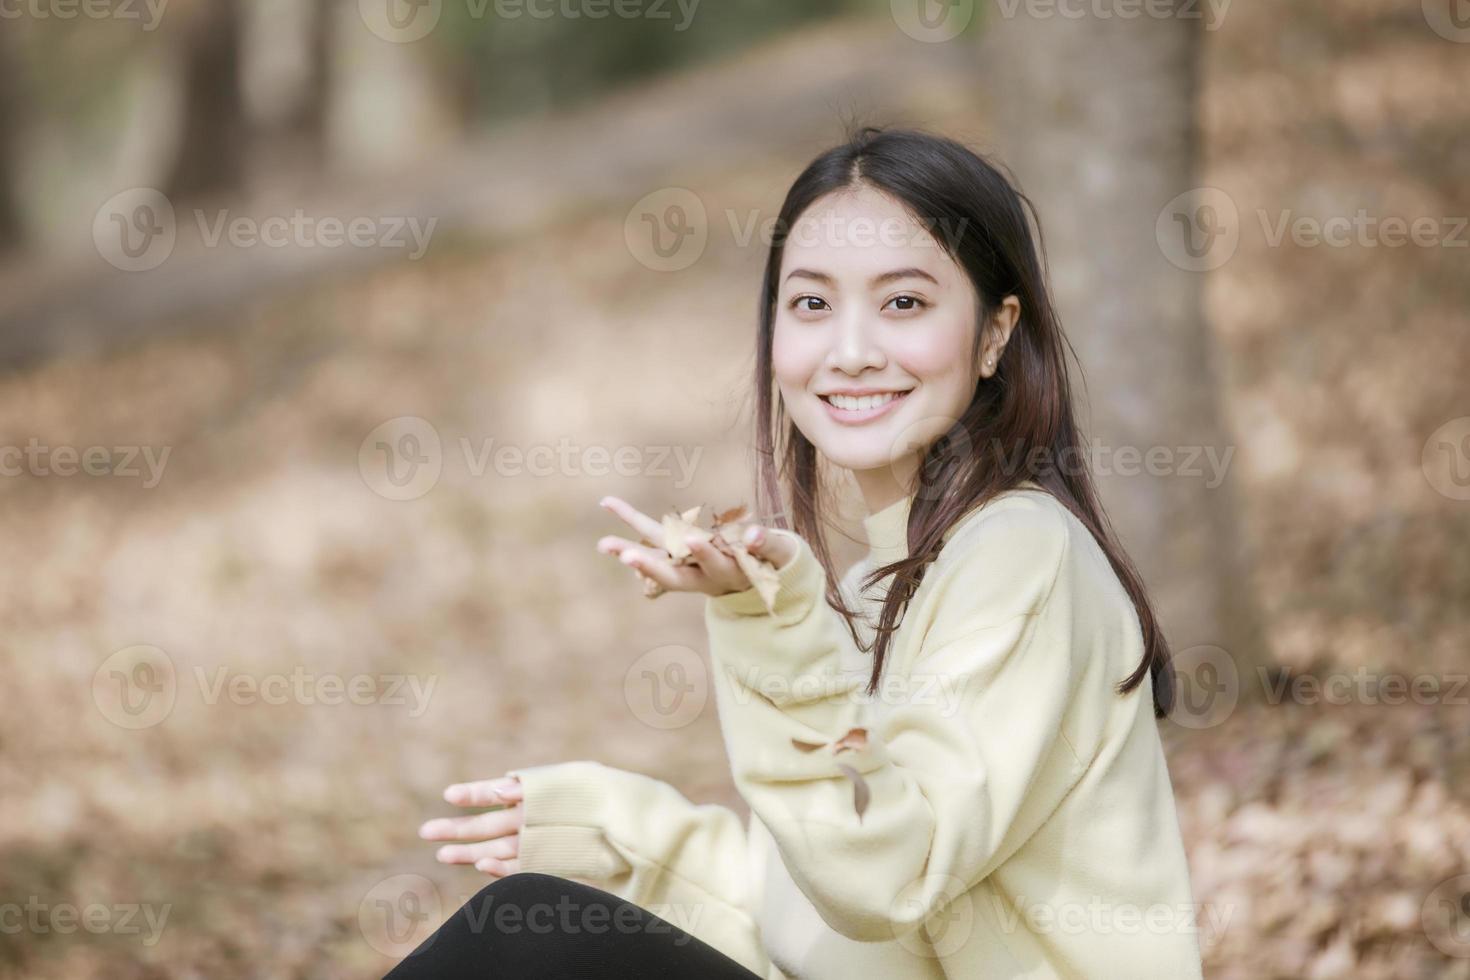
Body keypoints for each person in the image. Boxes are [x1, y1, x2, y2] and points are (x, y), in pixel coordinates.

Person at [389, 125, 1205, 979]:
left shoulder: (1021, 555)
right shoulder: (869, 587)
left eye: (904, 303)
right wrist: (604, 830)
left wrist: (764, 619)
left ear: (997, 333)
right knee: (530, 928)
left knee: (524, 933)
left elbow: (886, 874)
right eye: (812, 304)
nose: (850, 353)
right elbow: (812, 926)